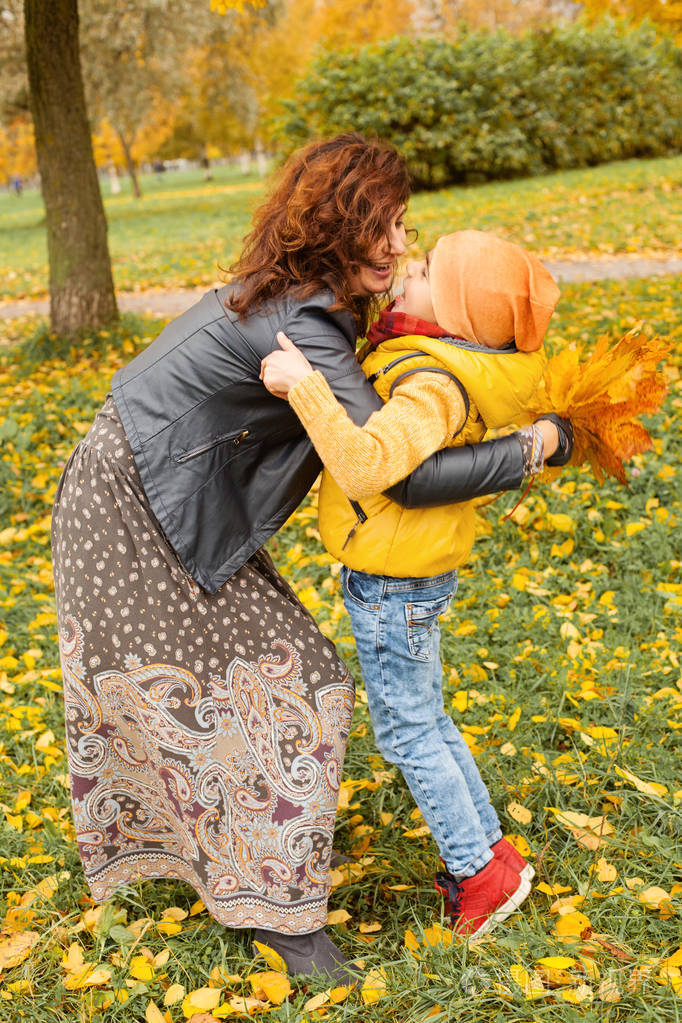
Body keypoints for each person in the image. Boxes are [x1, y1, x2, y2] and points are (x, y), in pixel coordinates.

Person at [52, 133, 565, 982]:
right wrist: (535, 448)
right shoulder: (303, 318)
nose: (400, 248)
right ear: (336, 226)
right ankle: (280, 917)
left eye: (406, 228)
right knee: (287, 685)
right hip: (133, 501)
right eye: (385, 228)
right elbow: (397, 471)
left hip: (160, 490)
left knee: (280, 682)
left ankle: (251, 878)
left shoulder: (312, 302)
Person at [260, 229, 572, 940]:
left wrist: (302, 385)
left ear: (457, 314)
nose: (408, 268)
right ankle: (490, 852)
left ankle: (477, 873)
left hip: (393, 582)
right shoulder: (448, 360)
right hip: (412, 570)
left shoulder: (433, 384)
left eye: (427, 271)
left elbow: (368, 463)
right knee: (427, 721)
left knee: (406, 734)